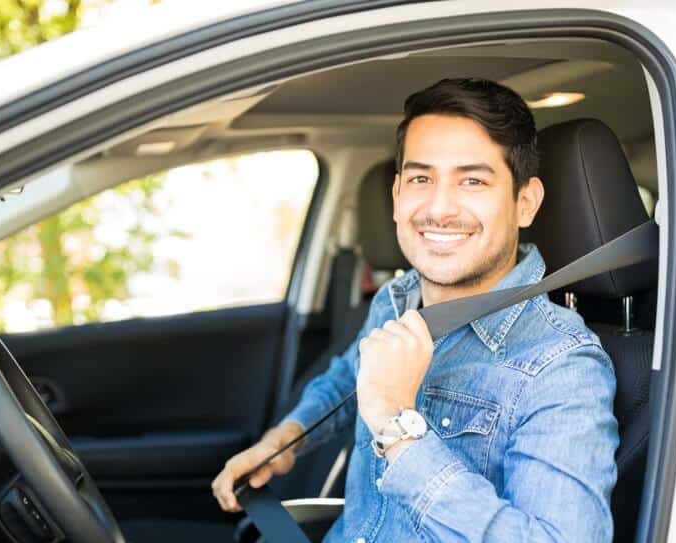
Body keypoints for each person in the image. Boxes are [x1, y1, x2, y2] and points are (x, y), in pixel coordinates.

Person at [212, 78, 618, 542]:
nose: (440, 208)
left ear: (524, 203)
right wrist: (288, 437)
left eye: (472, 180)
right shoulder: (397, 298)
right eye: (422, 179)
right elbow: (350, 377)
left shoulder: (560, 364)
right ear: (397, 196)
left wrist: (398, 429)